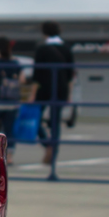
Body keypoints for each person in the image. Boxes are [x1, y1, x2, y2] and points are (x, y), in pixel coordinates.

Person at [32, 21, 76, 165]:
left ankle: (47, 144)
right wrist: (69, 93)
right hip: (61, 88)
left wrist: (32, 94)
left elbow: (36, 75)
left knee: (35, 119)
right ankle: (53, 153)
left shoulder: (41, 49)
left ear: (44, 32)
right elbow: (70, 74)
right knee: (56, 123)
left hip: (44, 88)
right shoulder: (66, 49)